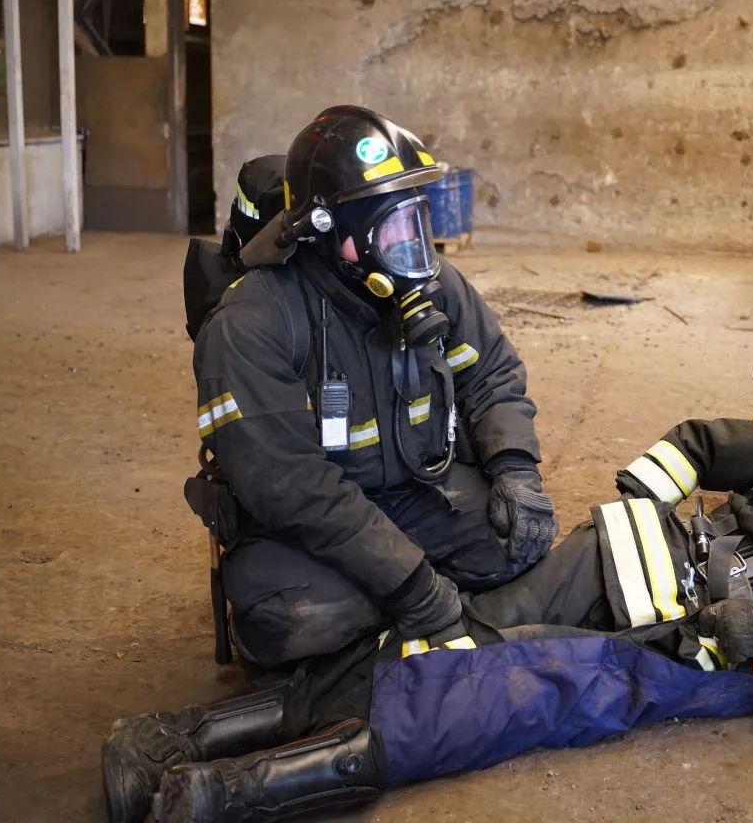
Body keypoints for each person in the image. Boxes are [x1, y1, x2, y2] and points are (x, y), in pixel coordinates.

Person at [100, 417, 753, 823]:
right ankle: (180, 738)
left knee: (477, 706)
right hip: (611, 558)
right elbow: (702, 442)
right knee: (442, 644)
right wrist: (644, 501)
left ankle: (220, 790)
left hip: (676, 659)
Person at [182, 105, 558, 674]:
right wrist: (415, 588)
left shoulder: (435, 286)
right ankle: (403, 596)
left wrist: (514, 467)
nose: (413, 247)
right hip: (305, 526)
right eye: (393, 228)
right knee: (290, 618)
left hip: (418, 490)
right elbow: (291, 486)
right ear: (329, 231)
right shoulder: (250, 324)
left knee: (521, 539)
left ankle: (391, 605)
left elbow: (492, 374)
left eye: (416, 221)